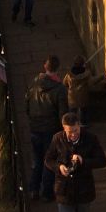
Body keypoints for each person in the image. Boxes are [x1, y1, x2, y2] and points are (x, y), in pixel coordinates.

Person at [25, 55, 66, 202]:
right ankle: (46, 192)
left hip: (35, 128)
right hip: (50, 129)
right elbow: (63, 113)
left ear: (45, 66)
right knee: (49, 160)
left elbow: (27, 106)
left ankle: (33, 189)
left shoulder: (33, 84)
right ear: (57, 69)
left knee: (37, 159)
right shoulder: (60, 89)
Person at [63, 55, 93, 125]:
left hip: (72, 97)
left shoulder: (69, 74)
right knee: (84, 110)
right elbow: (91, 83)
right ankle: (84, 123)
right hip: (83, 96)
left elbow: (64, 83)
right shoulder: (87, 74)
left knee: (72, 111)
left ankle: (71, 123)